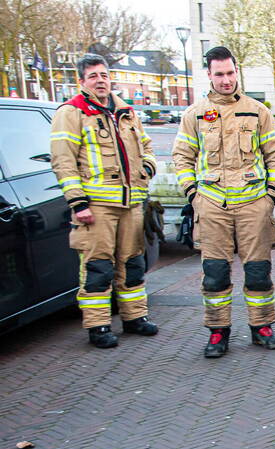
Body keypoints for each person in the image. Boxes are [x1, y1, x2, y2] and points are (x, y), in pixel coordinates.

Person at [172, 46, 275, 357]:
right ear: (209, 75)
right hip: (212, 205)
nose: (226, 80)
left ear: (237, 72)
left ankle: (261, 327)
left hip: (253, 205)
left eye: (230, 73)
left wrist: (270, 195)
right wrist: (194, 195)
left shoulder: (258, 111)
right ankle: (218, 332)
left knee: (258, 271)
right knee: (215, 273)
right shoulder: (194, 115)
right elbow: (182, 158)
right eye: (219, 74)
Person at [49, 53, 159, 348]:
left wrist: (146, 169)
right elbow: (63, 161)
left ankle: (135, 317)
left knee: (133, 263)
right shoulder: (72, 113)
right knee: (98, 268)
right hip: (96, 207)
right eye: (94, 76)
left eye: (104, 75)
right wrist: (78, 203)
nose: (101, 80)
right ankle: (97, 326)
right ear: (81, 81)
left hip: (131, 203)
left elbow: (146, 145)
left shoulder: (126, 111)